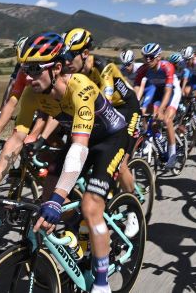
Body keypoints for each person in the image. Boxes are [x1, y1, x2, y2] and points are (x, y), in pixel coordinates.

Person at [0, 32, 130, 293]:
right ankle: (78, 236)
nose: (29, 76)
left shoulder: (79, 86)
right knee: (48, 190)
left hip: (110, 138)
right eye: (25, 69)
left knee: (91, 206)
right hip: (84, 138)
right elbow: (15, 139)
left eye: (35, 70)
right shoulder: (32, 93)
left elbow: (80, 147)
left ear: (57, 67)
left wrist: (59, 199)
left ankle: (102, 282)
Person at [59, 28, 140, 224]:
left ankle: (133, 208)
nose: (67, 61)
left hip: (126, 109)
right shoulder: (74, 73)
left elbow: (107, 103)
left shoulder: (103, 68)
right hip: (105, 113)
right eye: (64, 56)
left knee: (120, 164)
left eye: (70, 56)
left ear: (85, 54)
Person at [135, 43, 182, 168]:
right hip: (158, 92)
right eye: (145, 57)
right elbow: (137, 87)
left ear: (158, 57)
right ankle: (161, 141)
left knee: (166, 120)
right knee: (152, 121)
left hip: (172, 91)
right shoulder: (143, 69)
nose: (148, 60)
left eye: (151, 57)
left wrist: (161, 109)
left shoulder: (167, 67)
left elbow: (168, 92)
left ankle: (173, 155)